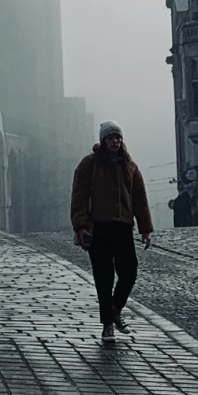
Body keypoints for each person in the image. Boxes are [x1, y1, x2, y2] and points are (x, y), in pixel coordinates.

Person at [71, 120, 153, 342]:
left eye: (118, 137)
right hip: (99, 228)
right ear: (103, 140)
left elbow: (140, 199)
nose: (115, 141)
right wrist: (80, 225)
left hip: (123, 227)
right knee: (104, 277)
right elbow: (79, 195)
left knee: (129, 272)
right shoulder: (90, 164)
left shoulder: (130, 166)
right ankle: (107, 324)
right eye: (110, 138)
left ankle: (115, 310)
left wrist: (145, 229)